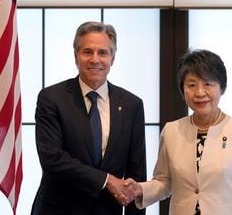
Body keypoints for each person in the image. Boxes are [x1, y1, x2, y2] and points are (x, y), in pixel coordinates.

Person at [127, 49, 232, 215]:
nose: (200, 92)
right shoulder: (171, 131)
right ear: (183, 89)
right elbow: (164, 182)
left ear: (222, 87)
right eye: (191, 85)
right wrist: (139, 189)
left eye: (208, 84)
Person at [31, 21, 147, 215]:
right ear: (76, 56)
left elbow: (136, 174)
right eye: (87, 52)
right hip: (58, 209)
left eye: (102, 52)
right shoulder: (52, 98)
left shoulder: (132, 105)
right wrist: (107, 180)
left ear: (113, 58)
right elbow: (52, 159)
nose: (95, 59)